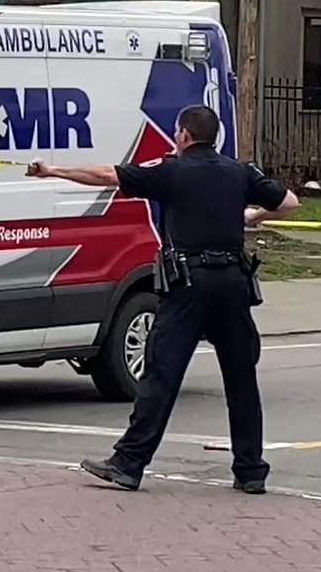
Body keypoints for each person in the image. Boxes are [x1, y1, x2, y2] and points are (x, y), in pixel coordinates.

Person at [27, 105, 299, 494]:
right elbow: (288, 202)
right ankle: (251, 471)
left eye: (177, 132)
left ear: (185, 135)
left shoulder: (171, 171)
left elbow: (107, 176)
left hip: (189, 286)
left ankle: (129, 463)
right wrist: (252, 217)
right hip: (233, 285)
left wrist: (53, 171)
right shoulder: (239, 172)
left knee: (161, 375)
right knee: (241, 379)